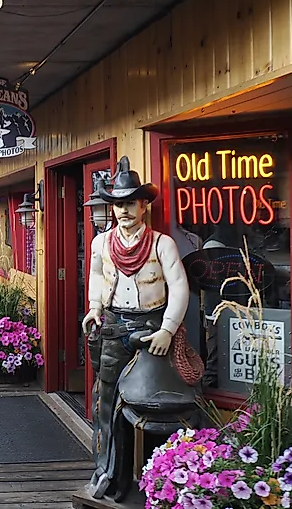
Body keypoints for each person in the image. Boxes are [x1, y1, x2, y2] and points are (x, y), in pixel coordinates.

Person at [81, 157, 200, 502]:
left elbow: (179, 287)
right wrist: (94, 308)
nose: (123, 210)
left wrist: (167, 329)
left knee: (154, 403)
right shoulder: (101, 244)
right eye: (117, 204)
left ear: (143, 205)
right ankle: (107, 472)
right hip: (115, 328)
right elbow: (97, 278)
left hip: (152, 330)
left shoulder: (162, 244)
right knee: (106, 402)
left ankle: (156, 477)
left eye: (130, 203)